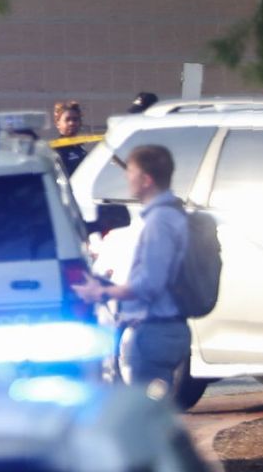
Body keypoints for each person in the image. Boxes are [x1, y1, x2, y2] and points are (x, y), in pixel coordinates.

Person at [75, 142, 192, 397]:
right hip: (166, 328)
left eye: (131, 173)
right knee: (155, 412)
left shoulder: (159, 222)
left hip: (155, 331)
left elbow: (149, 284)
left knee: (147, 413)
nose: (127, 179)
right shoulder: (170, 214)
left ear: (146, 179)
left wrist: (103, 292)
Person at [53, 100, 89, 176]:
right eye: (67, 119)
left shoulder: (81, 149)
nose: (71, 123)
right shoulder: (55, 151)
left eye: (75, 119)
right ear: (57, 123)